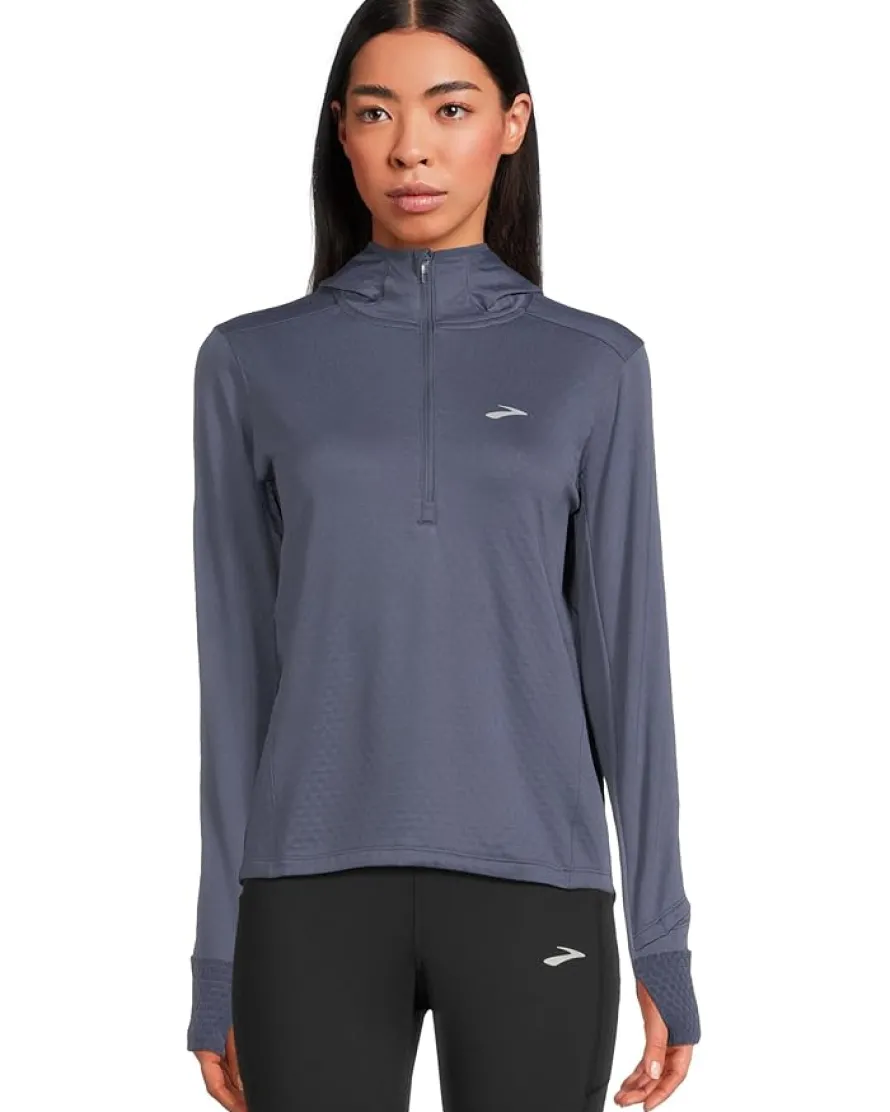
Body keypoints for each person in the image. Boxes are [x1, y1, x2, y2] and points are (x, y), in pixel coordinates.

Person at [186, 2, 701, 1110]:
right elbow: (235, 680)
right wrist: (216, 954)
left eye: (449, 109)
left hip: (537, 888)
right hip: (306, 894)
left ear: (512, 123)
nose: (410, 148)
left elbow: (628, 672)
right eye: (377, 113)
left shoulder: (595, 366)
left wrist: (661, 938)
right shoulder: (249, 363)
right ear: (341, 130)